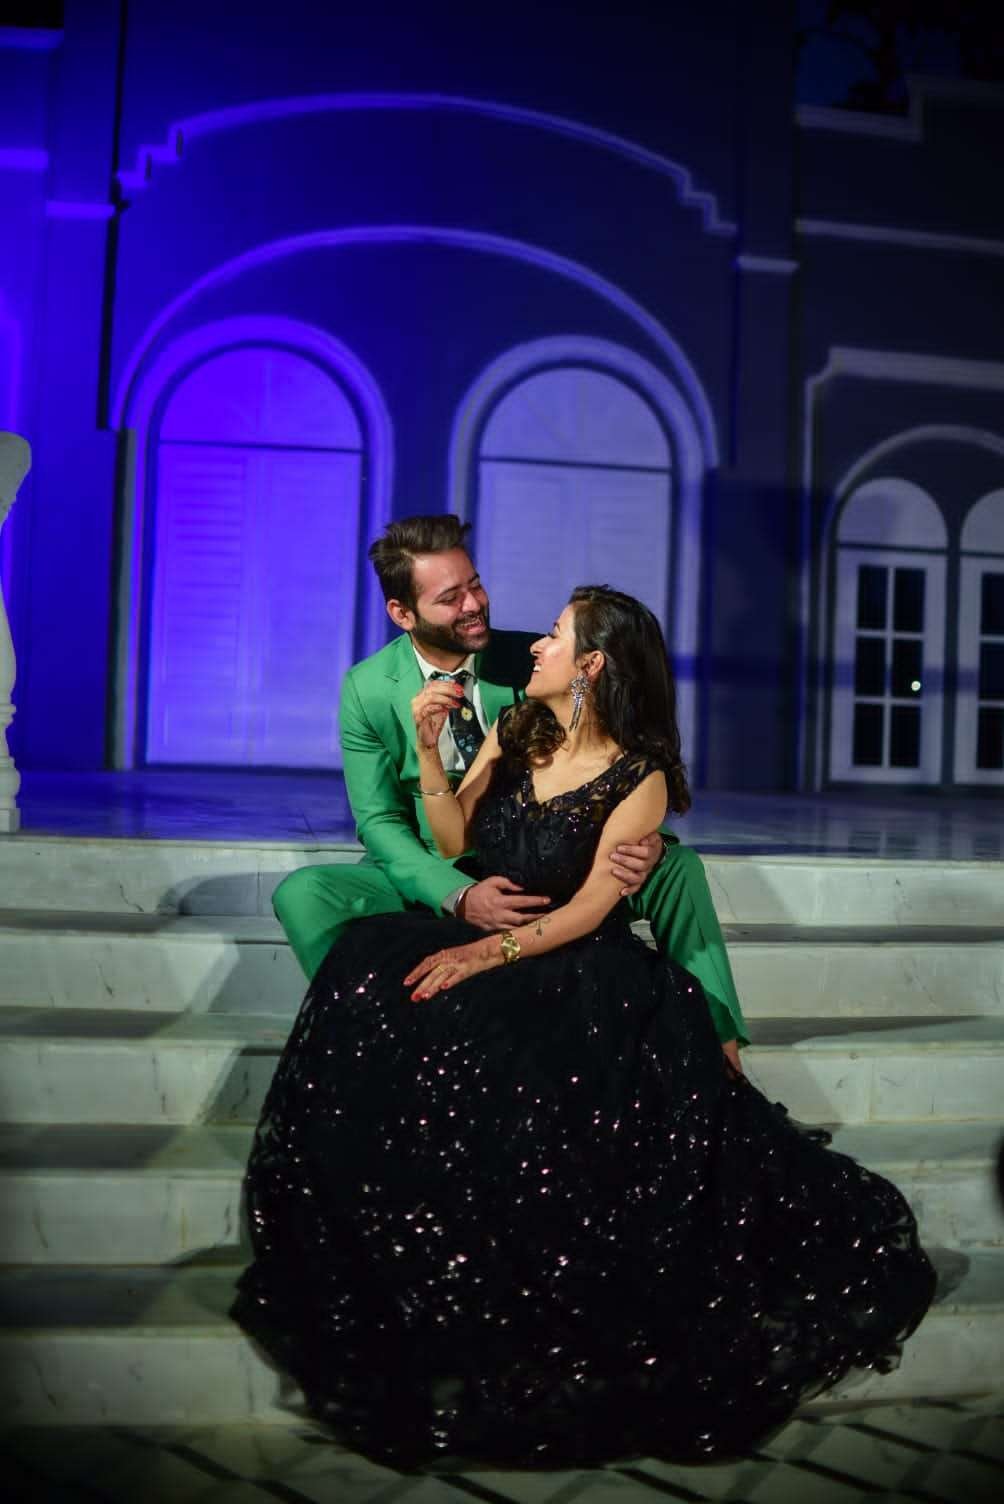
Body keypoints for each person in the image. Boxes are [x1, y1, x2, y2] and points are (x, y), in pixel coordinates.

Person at [233, 585, 935, 1468]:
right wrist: (430, 753)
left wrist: (487, 955)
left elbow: (589, 911)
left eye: (556, 637)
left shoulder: (641, 777)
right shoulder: (516, 730)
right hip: (495, 931)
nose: (536, 646)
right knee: (377, 978)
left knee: (488, 1033)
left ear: (592, 665)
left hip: (574, 961)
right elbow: (449, 842)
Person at [272, 513, 748, 1067]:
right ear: (403, 613)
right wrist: (456, 893)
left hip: (551, 857)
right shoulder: (368, 688)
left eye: (474, 584)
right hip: (441, 859)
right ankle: (374, 1039)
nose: (474, 604)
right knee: (303, 895)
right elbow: (379, 822)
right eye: (450, 598)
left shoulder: (535, 660)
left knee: (677, 867)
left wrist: (650, 843)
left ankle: (721, 1052)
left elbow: (612, 760)